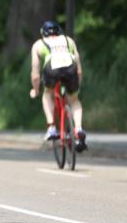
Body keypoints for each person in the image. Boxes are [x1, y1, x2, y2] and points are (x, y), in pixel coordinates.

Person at [30, 21, 86, 150]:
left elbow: (35, 73)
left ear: (43, 34)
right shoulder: (68, 41)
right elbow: (79, 70)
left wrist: (36, 90)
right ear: (59, 32)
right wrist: (77, 86)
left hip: (51, 68)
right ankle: (78, 129)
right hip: (70, 67)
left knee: (47, 94)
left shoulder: (39, 44)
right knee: (74, 100)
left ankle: (51, 128)